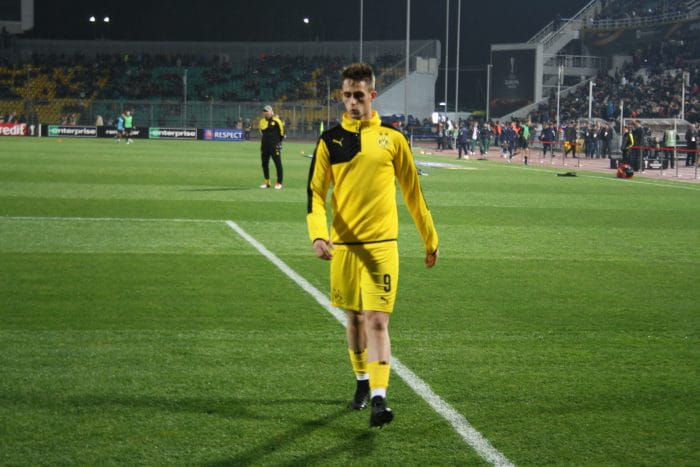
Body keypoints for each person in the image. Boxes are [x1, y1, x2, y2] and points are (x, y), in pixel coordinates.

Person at [306, 63, 439, 428]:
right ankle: (362, 382)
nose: (351, 102)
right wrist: (318, 233)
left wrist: (431, 238)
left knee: (378, 321)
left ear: (372, 95)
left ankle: (380, 399)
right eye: (346, 95)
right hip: (345, 247)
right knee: (353, 318)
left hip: (382, 245)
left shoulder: (393, 139)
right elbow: (315, 194)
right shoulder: (330, 140)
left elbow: (414, 192)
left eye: (358, 95)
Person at [258, 105, 285, 189]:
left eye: (267, 111)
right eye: (264, 111)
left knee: (278, 164)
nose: (265, 113)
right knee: (264, 164)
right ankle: (267, 183)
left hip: (274, 147)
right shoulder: (261, 121)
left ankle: (279, 183)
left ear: (271, 112)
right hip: (265, 147)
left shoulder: (277, 121)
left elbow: (282, 133)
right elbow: (261, 133)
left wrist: (279, 143)